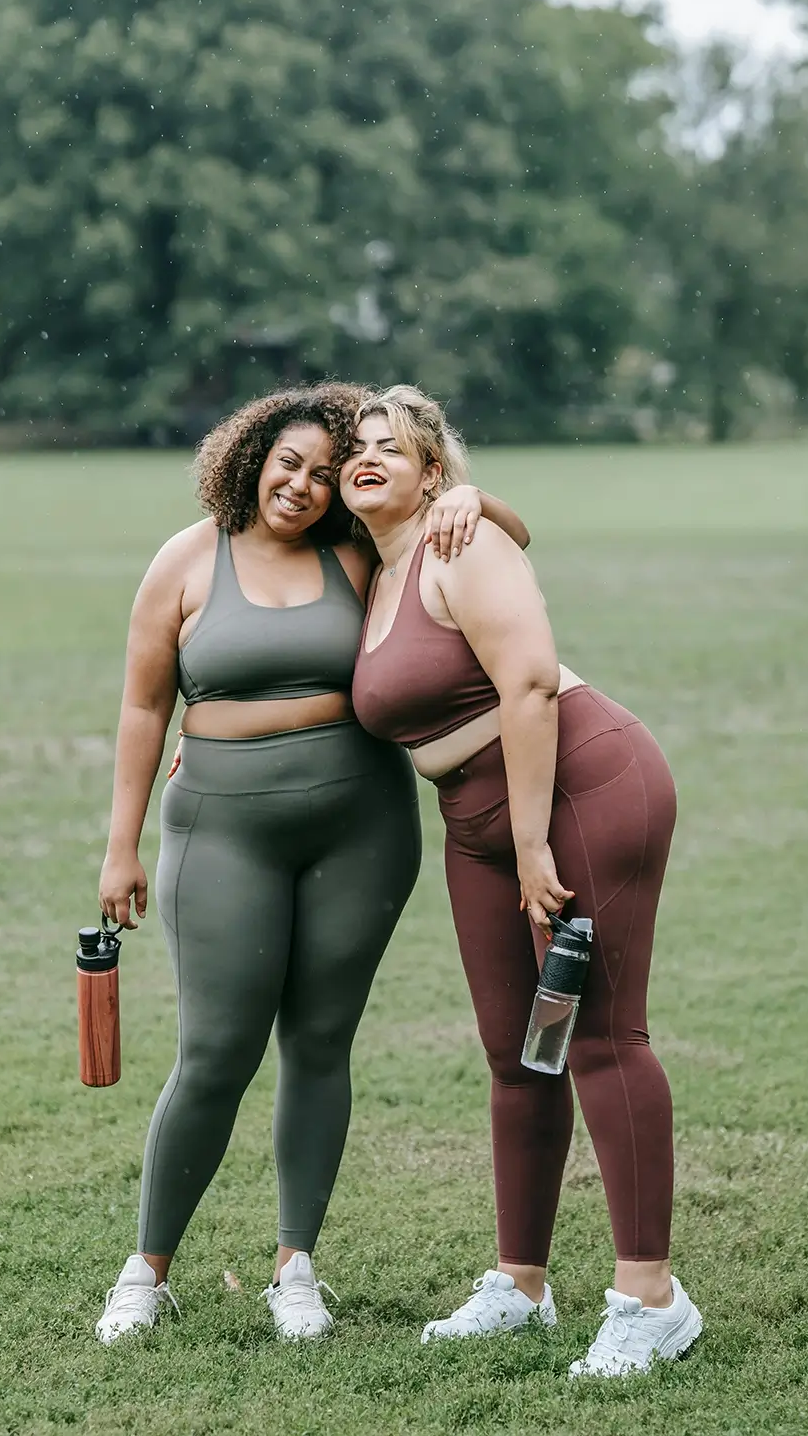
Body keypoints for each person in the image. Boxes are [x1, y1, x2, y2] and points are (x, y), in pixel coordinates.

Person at [93, 383, 529, 1345]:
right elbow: (142, 708)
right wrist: (121, 846)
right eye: (288, 463)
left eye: (325, 473)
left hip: (360, 827)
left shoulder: (357, 554)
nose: (302, 484)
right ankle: (145, 1271)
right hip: (221, 831)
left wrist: (472, 496)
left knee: (322, 1043)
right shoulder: (186, 559)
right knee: (216, 1052)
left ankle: (296, 1268)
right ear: (251, 459)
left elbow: (504, 540)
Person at [343, 384, 702, 1380]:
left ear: (432, 474)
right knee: (518, 1053)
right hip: (475, 827)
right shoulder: (371, 569)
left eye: (391, 446)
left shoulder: (459, 545)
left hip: (581, 791)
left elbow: (532, 683)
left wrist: (536, 842)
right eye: (355, 445)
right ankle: (522, 1284)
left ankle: (653, 1297)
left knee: (601, 1038)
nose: (366, 456)